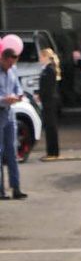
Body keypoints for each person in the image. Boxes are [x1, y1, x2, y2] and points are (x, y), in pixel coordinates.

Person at [0, 48, 25, 199]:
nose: (11, 66)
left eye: (13, 63)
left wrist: (18, 95)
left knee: (12, 151)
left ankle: (16, 188)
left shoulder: (13, 70)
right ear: (3, 59)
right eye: (9, 63)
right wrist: (3, 99)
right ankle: (0, 190)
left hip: (9, 113)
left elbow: (17, 87)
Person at [36, 47, 61, 160]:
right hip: (47, 100)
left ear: (46, 57)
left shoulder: (50, 70)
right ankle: (50, 151)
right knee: (49, 126)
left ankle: (53, 152)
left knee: (51, 126)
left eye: (41, 56)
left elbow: (48, 88)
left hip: (49, 100)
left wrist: (42, 95)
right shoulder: (46, 69)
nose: (40, 59)